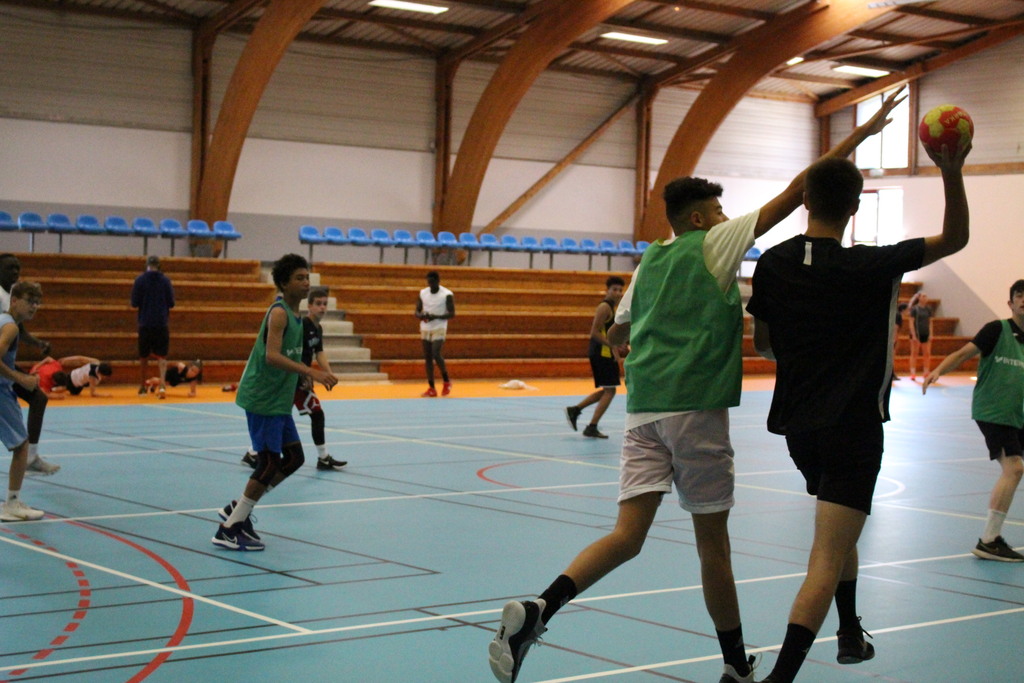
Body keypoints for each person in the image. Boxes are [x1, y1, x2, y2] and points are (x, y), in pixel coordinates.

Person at [488, 88, 907, 683]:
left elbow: (616, 333)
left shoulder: (648, 262)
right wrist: (861, 136)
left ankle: (540, 606)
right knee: (714, 547)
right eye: (718, 209)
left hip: (643, 413)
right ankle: (736, 668)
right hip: (695, 413)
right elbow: (801, 189)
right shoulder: (713, 243)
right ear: (699, 219)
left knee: (627, 535)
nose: (725, 216)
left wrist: (631, 344)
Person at [745, 114, 970, 681]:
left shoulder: (771, 263)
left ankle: (849, 630)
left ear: (805, 201)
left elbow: (764, 345)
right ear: (854, 208)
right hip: (852, 426)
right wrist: (950, 171)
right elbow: (955, 238)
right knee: (826, 553)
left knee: (836, 527)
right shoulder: (872, 264)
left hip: (799, 428)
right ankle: (780, 677)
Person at [212, 254, 338, 551]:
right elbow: (271, 356)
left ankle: (238, 510)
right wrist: (311, 371)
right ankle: (228, 530)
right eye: (299, 278)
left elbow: (291, 355)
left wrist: (302, 377)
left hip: (280, 398)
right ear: (284, 283)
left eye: (307, 277)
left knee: (294, 458)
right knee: (269, 463)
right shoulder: (279, 313)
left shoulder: (298, 318)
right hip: (263, 398)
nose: (306, 282)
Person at [922, 280, 1024, 562]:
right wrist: (938, 370)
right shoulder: (996, 330)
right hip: (994, 412)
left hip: (1018, 414)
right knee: (1014, 468)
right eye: (1019, 295)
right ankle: (989, 540)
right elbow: (963, 353)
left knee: (1015, 469)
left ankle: (991, 538)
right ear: (1011, 303)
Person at [241, 287, 347, 471]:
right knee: (313, 414)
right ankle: (322, 458)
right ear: (309, 306)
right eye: (318, 304)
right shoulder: (302, 325)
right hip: (294, 379)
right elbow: (291, 353)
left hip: (299, 378)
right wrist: (306, 373)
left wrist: (329, 374)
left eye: (325, 304)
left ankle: (252, 453)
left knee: (282, 417)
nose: (322, 307)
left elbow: (319, 353)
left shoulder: (317, 328)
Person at [0, 254, 58, 475]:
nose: (15, 272)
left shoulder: (11, 297)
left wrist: (37, 343)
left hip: (5, 363)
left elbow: (18, 330)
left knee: (38, 398)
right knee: (36, 397)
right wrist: (20, 378)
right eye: (10, 268)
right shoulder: (5, 298)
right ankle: (28, 455)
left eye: (18, 268)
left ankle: (30, 456)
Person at [0, 281, 46, 521]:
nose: (34, 306)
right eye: (30, 301)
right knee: (21, 446)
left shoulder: (3, 321)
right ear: (15, 300)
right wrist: (21, 379)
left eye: (37, 303)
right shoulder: (10, 328)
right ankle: (12, 503)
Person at [565, 276, 626, 439]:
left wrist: (617, 347)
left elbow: (607, 333)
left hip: (605, 352)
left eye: (620, 290)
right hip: (601, 353)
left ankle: (575, 410)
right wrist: (612, 345)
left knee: (608, 390)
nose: (618, 293)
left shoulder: (612, 308)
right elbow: (594, 332)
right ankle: (591, 426)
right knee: (610, 391)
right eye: (614, 289)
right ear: (607, 290)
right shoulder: (604, 307)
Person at [131, 255, 175, 399]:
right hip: (161, 322)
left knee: (143, 356)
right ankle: (162, 386)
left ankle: (142, 386)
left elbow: (134, 302)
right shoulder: (165, 281)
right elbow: (171, 303)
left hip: (145, 322)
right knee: (162, 355)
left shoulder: (139, 280)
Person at [416, 270, 454, 397]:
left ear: (438, 281)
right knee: (427, 357)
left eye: (432, 282)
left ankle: (446, 380)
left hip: (439, 326)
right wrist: (421, 316)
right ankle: (431, 387)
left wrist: (436, 316)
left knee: (436, 353)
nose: (430, 285)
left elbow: (452, 313)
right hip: (426, 327)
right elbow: (417, 311)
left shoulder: (447, 294)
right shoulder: (423, 293)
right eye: (429, 282)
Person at [30, 355, 112, 399]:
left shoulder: (96, 361)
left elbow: (80, 358)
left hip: (77, 378)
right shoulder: (92, 378)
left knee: (75, 393)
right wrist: (105, 395)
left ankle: (62, 388)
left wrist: (67, 359)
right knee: (63, 389)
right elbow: (93, 394)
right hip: (73, 381)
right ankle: (56, 389)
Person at [908, 291, 933, 380]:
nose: (925, 298)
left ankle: (926, 372)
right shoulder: (915, 309)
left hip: (925, 333)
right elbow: (911, 322)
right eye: (923, 296)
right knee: (914, 353)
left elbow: (930, 322)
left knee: (927, 353)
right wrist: (913, 335)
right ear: (919, 298)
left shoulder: (928, 309)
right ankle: (913, 373)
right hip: (917, 334)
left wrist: (931, 334)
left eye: (926, 296)